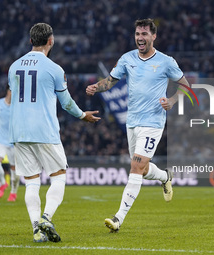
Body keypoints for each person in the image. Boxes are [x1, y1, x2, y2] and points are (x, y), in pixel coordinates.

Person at [86, 18, 190, 232]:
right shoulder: (127, 58)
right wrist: (96, 87)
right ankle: (165, 176)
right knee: (141, 170)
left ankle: (118, 218)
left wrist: (171, 100)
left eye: (144, 34)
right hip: (132, 122)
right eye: (137, 34)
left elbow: (185, 86)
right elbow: (110, 81)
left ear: (154, 36)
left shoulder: (166, 61)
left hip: (153, 122)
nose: (140, 38)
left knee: (135, 166)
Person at [8, 23, 100, 243]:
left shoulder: (13, 67)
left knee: (31, 181)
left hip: (19, 132)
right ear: (51, 41)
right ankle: (46, 218)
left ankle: (36, 230)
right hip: (44, 130)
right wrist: (82, 115)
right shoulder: (54, 69)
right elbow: (66, 103)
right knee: (58, 176)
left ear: (31, 41)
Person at [0, 86, 20, 201]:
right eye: (12, 91)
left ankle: (13, 192)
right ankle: (2, 183)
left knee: (14, 170)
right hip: (0, 140)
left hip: (14, 142)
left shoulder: (18, 106)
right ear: (8, 91)